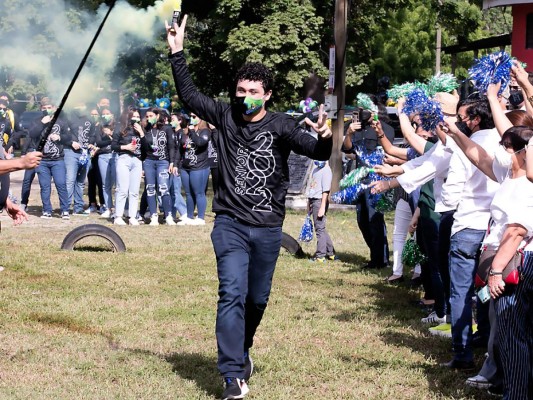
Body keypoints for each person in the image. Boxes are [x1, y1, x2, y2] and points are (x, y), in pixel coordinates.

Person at [167, 16, 332, 400]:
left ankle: (242, 351)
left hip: (268, 228)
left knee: (257, 299)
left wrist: (326, 138)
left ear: (268, 94)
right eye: (241, 90)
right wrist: (177, 51)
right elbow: (189, 96)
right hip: (230, 223)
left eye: (253, 90)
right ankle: (230, 376)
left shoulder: (282, 125)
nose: (245, 96)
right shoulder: (224, 115)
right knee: (232, 293)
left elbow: (316, 150)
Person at [444, 121, 533, 400]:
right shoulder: (510, 176)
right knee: (510, 330)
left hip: (514, 262)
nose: (500, 151)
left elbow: (516, 231)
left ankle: (516, 393)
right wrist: (456, 133)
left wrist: (495, 271)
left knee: (512, 335)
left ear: (522, 153)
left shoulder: (527, 186)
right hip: (507, 257)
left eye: (507, 146)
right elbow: (478, 157)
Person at [342, 104, 394, 269]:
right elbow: (348, 150)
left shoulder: (384, 128)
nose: (362, 112)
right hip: (360, 179)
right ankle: (375, 253)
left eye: (365, 108)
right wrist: (349, 133)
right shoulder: (356, 128)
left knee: (375, 219)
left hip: (376, 178)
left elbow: (388, 150)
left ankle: (380, 260)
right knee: (362, 219)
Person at [28, 97, 70, 219]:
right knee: (45, 186)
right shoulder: (37, 121)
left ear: (54, 108)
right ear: (41, 108)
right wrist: (42, 123)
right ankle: (47, 210)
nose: (47, 110)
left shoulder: (61, 121)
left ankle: (65, 210)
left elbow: (69, 137)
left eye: (49, 108)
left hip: (58, 160)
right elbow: (32, 134)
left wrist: (60, 137)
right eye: (44, 108)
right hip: (42, 160)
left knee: (61, 184)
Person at [140, 108, 175, 226]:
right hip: (149, 162)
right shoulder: (146, 129)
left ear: (157, 115)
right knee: (150, 189)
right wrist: (141, 134)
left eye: (151, 116)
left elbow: (171, 146)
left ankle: (168, 215)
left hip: (163, 162)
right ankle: (153, 216)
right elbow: (144, 149)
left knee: (164, 188)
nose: (148, 118)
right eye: (147, 116)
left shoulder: (167, 129)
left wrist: (172, 162)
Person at [111, 108, 144, 226]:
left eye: (138, 116)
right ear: (128, 116)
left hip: (137, 161)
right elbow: (113, 146)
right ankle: (118, 216)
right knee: (122, 189)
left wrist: (141, 133)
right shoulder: (121, 128)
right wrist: (126, 147)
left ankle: (132, 217)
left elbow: (146, 146)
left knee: (134, 191)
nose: (136, 119)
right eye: (133, 116)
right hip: (124, 159)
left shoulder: (141, 129)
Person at [178, 112, 211, 226]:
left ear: (201, 119)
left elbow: (200, 142)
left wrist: (192, 131)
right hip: (185, 167)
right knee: (188, 193)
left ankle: (201, 218)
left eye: (194, 117)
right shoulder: (185, 132)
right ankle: (189, 216)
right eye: (190, 117)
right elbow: (181, 148)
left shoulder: (205, 131)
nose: (191, 119)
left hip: (199, 167)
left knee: (199, 193)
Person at [65, 103, 93, 215]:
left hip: (85, 153)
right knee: (70, 180)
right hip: (71, 152)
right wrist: (71, 142)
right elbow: (63, 135)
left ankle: (78, 207)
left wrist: (91, 143)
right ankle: (65, 207)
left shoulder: (89, 119)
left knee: (80, 182)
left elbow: (93, 135)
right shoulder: (69, 117)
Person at [307, 160, 336, 262]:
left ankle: (320, 256)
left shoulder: (326, 170)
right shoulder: (315, 169)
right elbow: (311, 187)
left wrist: (322, 207)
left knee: (319, 229)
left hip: (320, 201)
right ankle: (331, 253)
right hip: (314, 200)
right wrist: (308, 203)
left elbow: (326, 191)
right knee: (321, 228)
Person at [94, 108, 117, 218]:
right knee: (105, 184)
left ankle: (119, 208)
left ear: (112, 115)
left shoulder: (117, 127)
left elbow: (119, 141)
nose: (105, 116)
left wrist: (111, 134)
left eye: (107, 114)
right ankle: (108, 207)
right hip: (103, 156)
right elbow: (98, 143)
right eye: (103, 114)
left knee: (118, 184)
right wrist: (110, 140)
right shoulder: (99, 127)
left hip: (115, 156)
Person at [169, 112, 187, 221]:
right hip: (172, 164)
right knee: (171, 190)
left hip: (178, 165)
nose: (171, 121)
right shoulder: (172, 133)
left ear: (179, 121)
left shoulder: (182, 134)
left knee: (176, 190)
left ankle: (184, 213)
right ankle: (172, 213)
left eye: (173, 119)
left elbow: (180, 151)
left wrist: (176, 164)